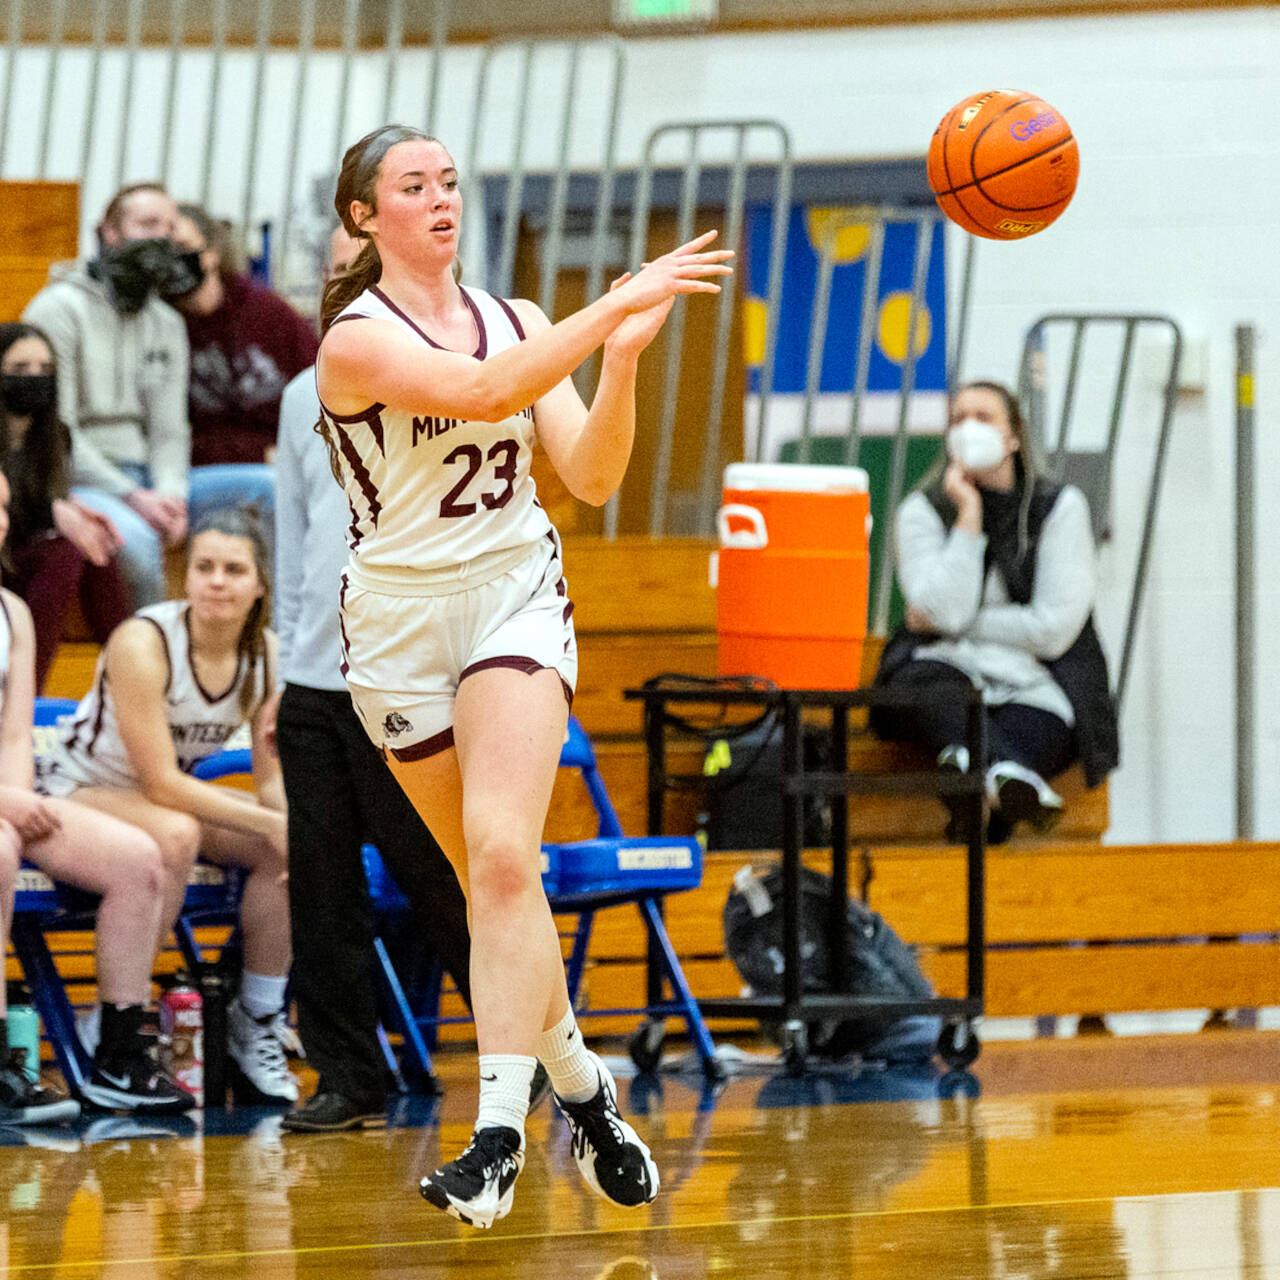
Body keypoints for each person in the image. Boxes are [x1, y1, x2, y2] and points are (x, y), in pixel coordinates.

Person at [314, 123, 731, 1228]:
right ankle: (588, 1091)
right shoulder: (353, 342)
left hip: (509, 596)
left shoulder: (521, 319)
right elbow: (493, 393)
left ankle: (497, 1133)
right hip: (396, 627)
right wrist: (610, 310)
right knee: (494, 886)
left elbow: (590, 474)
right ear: (364, 217)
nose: (440, 199)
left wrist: (624, 362)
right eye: (413, 186)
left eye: (450, 181)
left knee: (503, 851)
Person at [267, 224, 474, 1133]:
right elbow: (292, 530)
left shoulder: (444, 383)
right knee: (318, 890)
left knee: (443, 878)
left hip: (406, 674)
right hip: (315, 679)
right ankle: (349, 1079)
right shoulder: (296, 395)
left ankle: (537, 1051)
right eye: (335, 272)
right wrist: (282, 659)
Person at [35, 504, 299, 1104]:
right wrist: (273, 820)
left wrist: (286, 824)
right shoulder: (143, 640)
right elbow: (160, 782)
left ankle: (255, 1018)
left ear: (259, 585)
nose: (215, 580)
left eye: (234, 569)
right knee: (178, 830)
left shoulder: (268, 657)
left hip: (155, 803)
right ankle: (113, 1020)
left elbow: (269, 778)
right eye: (203, 566)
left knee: (283, 848)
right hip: (77, 789)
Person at [0, 470, 193, 1120]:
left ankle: (117, 1051)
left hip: (10, 792)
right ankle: (5, 1064)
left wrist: (19, 796)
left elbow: (17, 732)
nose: (0, 519)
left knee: (140, 859)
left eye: (4, 506)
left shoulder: (13, 612)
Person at [871, 379, 1118, 842]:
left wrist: (961, 626)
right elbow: (942, 610)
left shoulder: (1059, 508)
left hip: (1036, 680)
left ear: (1013, 438)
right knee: (928, 689)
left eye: (983, 417)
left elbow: (1051, 631)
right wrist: (968, 517)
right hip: (941, 672)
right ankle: (999, 777)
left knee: (996, 747)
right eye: (958, 419)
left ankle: (972, 786)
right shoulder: (921, 512)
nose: (968, 428)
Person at [23, 182, 194, 608]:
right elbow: (56, 431)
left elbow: (170, 429)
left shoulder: (168, 322)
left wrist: (172, 494)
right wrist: (133, 496)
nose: (161, 238)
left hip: (151, 480)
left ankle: (277, 660)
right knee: (136, 542)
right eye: (148, 224)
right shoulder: (57, 310)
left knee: (261, 490)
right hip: (84, 480)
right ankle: (152, 665)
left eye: (170, 228)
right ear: (110, 232)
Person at [170, 202, 321, 554]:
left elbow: (319, 388)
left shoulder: (268, 312)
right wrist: (258, 451)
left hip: (280, 460)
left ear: (210, 253)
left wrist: (294, 453)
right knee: (272, 490)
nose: (173, 260)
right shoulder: (162, 325)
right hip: (201, 470)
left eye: (182, 248)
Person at [0, 322, 132, 691]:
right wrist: (54, 511)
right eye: (20, 369)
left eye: (44, 369)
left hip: (23, 556)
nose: (34, 378)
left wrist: (72, 511)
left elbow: (43, 501)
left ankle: (132, 667)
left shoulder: (56, 435)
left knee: (93, 546)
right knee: (65, 552)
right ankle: (27, 692)